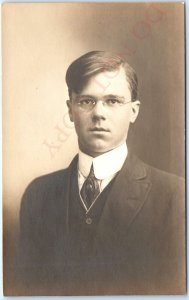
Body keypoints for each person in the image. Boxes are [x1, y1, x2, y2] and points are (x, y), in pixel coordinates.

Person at [19, 51, 185, 295]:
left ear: (134, 111)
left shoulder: (175, 196)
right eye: (86, 101)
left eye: (113, 101)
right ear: (70, 110)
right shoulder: (38, 195)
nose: (99, 113)